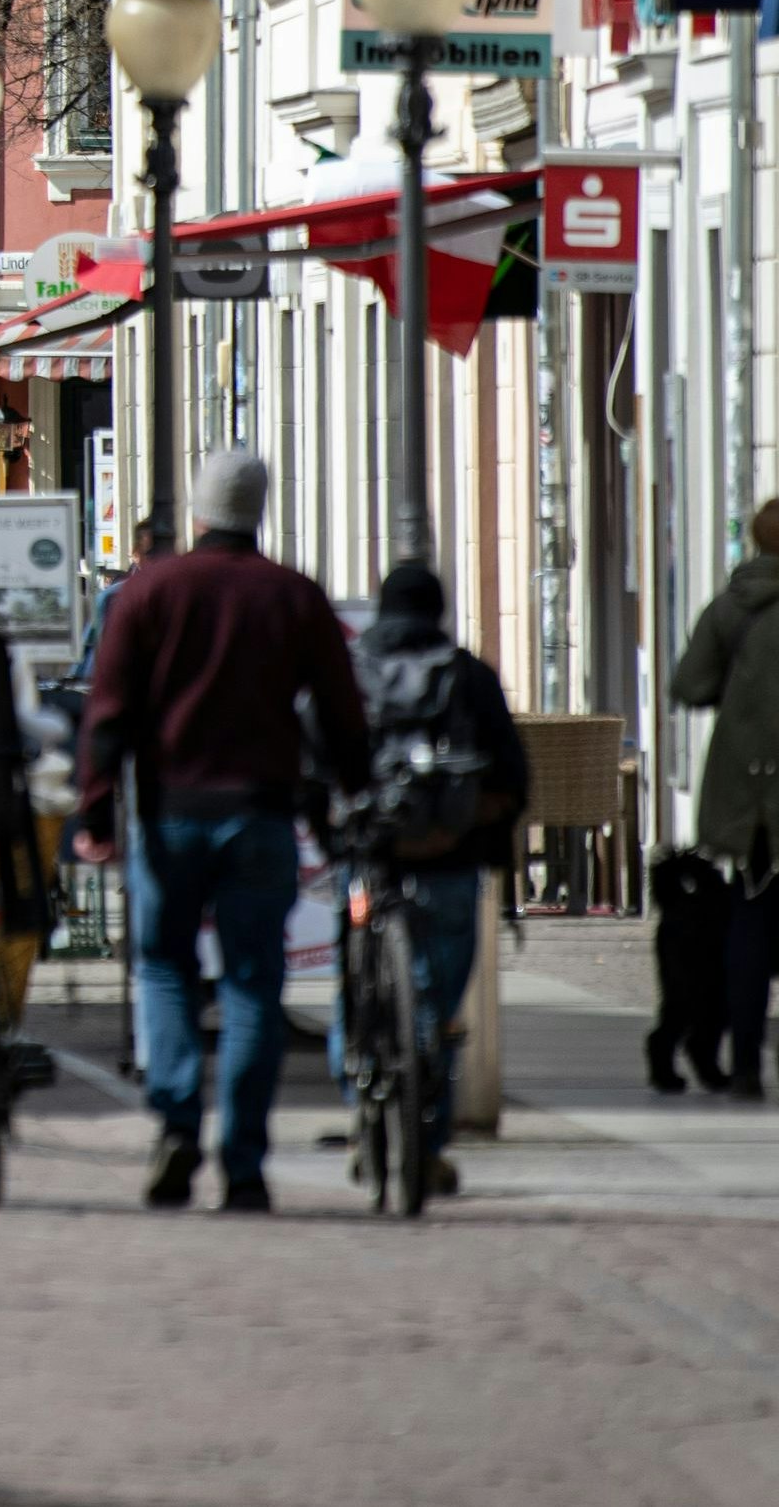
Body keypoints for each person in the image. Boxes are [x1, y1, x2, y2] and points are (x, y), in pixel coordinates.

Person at [73, 447, 371, 1212]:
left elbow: (108, 712)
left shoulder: (149, 591)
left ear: (199, 512)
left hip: (168, 813)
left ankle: (177, 1121)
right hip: (261, 814)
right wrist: (355, 792)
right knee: (252, 984)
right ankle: (243, 1159)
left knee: (165, 968)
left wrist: (97, 811)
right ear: (258, 511)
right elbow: (340, 712)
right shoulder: (293, 596)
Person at [342, 562, 532, 1192]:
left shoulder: (350, 673)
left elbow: (316, 758)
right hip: (451, 861)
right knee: (438, 1006)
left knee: (358, 988)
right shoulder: (468, 675)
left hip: (371, 856)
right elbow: (512, 774)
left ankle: (363, 1114)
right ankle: (427, 1140)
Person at [667, 496, 779, 1101]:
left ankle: (745, 1066)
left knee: (749, 926)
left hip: (746, 796)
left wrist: (737, 696)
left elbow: (689, 684)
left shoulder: (730, 609)